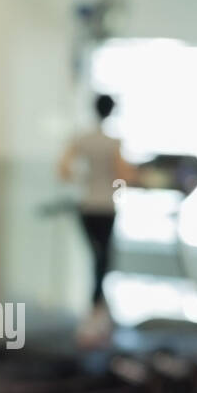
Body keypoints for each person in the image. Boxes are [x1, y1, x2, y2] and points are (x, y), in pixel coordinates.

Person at [56, 94, 140, 347]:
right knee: (102, 259)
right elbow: (125, 176)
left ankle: (98, 311)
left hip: (87, 205)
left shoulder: (83, 139)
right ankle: (95, 312)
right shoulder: (112, 142)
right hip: (105, 206)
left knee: (97, 257)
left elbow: (63, 169)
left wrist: (84, 179)